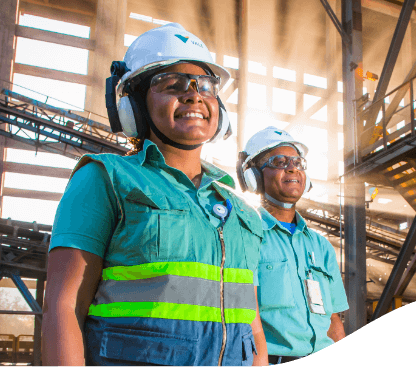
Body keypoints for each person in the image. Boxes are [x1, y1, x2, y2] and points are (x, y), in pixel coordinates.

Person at [42, 23, 268, 367]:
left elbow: (250, 325)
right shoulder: (105, 178)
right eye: (171, 84)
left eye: (205, 86)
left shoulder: (240, 210)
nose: (194, 95)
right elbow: (64, 306)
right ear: (133, 104)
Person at [237, 127, 348, 364]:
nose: (293, 168)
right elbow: (246, 316)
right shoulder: (247, 235)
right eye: (279, 161)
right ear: (254, 176)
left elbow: (333, 320)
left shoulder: (321, 246)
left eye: (298, 162)